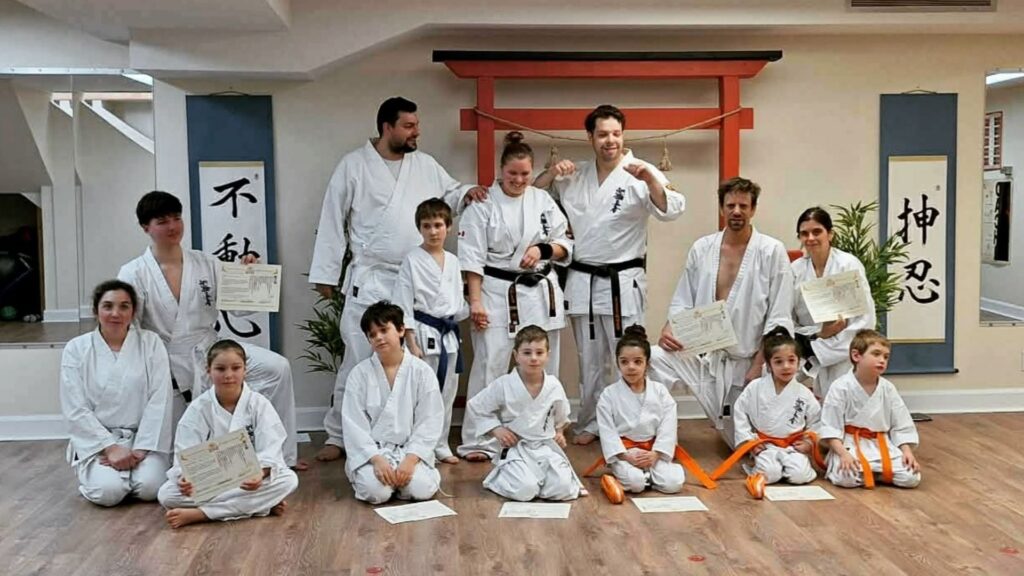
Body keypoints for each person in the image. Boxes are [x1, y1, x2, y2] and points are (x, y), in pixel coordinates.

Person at [309, 97, 484, 461]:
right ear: (386, 127)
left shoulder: (424, 164)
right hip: (371, 278)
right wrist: (326, 273)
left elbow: (449, 193)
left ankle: (409, 437)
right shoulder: (354, 166)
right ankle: (338, 435)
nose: (416, 131)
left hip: (415, 280)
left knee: (412, 363)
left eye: (416, 125)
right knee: (358, 357)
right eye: (408, 126)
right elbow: (332, 217)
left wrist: (466, 192)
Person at [534, 104, 686, 445]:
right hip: (583, 280)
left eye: (616, 134)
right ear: (590, 137)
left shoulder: (640, 171)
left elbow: (672, 208)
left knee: (627, 355)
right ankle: (590, 421)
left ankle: (632, 424)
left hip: (623, 282)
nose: (610, 140)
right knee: (589, 360)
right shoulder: (575, 175)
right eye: (602, 134)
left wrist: (651, 181)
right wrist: (551, 172)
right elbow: (535, 196)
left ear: (624, 135)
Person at [118, 191, 302, 469]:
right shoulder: (132, 273)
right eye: (162, 221)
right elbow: (130, 328)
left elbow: (240, 309)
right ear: (146, 227)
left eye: (177, 218)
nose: (172, 227)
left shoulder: (206, 263)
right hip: (163, 359)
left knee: (277, 368)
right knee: (181, 455)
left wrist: (248, 275)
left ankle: (280, 458)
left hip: (209, 347)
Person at [649, 176, 794, 447]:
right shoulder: (703, 248)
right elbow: (683, 299)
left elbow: (779, 316)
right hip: (704, 358)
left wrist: (759, 363)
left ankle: (741, 435)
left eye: (743, 205)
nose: (736, 211)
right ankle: (651, 437)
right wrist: (670, 328)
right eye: (730, 205)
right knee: (655, 357)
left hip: (746, 364)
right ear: (721, 208)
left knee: (744, 446)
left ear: (753, 209)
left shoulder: (771, 251)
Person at [456, 131, 572, 460]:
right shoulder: (482, 205)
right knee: (490, 365)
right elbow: (471, 258)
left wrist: (542, 248)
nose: (519, 180)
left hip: (540, 292)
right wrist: (475, 301)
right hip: (496, 293)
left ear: (532, 171)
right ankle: (480, 440)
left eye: (525, 174)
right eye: (512, 174)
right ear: (500, 171)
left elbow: (565, 244)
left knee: (542, 366)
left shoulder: (542, 200)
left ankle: (543, 434)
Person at [158, 340, 298, 528]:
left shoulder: (259, 404)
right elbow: (185, 453)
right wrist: (185, 478)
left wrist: (260, 472)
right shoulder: (198, 408)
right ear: (209, 371)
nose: (228, 375)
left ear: (245, 370)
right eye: (220, 369)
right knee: (167, 495)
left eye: (236, 368)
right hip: (211, 481)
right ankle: (261, 506)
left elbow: (271, 448)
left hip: (248, 480)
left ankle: (203, 514)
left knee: (288, 480)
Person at [60, 280, 173, 507]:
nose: (116, 313)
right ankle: (98, 476)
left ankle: (130, 474)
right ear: (96, 310)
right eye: (108, 306)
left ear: (133, 311)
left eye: (124, 306)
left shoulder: (150, 343)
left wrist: (140, 449)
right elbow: (75, 407)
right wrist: (110, 448)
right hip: (100, 443)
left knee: (151, 488)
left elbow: (160, 398)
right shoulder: (76, 348)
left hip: (143, 439)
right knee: (108, 493)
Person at [460, 325, 582, 502]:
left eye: (539, 353)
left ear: (548, 355)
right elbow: (476, 406)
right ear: (516, 355)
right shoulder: (504, 384)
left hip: (545, 447)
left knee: (562, 489)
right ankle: (501, 477)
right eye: (527, 353)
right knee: (525, 490)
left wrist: (559, 433)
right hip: (516, 447)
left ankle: (539, 481)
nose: (533, 358)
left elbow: (561, 418)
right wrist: (497, 430)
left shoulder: (553, 386)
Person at [342, 301, 445, 504]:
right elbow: (353, 424)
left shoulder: (421, 371)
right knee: (376, 493)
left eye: (383, 330)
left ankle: (403, 480)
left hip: (410, 450)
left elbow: (430, 420)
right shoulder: (359, 374)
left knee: (422, 489)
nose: (379, 337)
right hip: (374, 453)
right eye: (372, 334)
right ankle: (386, 481)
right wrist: (376, 459)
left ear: (400, 330)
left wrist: (411, 459)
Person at [395, 199, 467, 465]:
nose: (433, 231)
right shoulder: (412, 260)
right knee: (421, 394)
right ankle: (419, 447)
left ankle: (441, 443)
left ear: (448, 227)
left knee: (447, 392)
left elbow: (458, 303)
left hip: (448, 334)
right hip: (422, 333)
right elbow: (402, 301)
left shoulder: (453, 261)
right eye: (427, 226)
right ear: (419, 229)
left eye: (438, 225)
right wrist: (410, 341)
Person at [714, 328, 822, 499]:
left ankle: (787, 468)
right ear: (769, 364)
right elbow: (740, 413)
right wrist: (749, 442)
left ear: (799, 362)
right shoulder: (756, 388)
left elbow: (817, 421)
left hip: (792, 446)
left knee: (800, 475)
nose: (786, 366)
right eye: (778, 362)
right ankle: (759, 476)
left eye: (791, 360)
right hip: (765, 445)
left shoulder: (803, 393)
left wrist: (809, 442)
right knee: (770, 473)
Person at [592, 326, 687, 499]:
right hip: (625, 452)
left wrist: (656, 454)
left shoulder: (660, 391)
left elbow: (668, 426)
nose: (631, 367)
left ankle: (647, 476)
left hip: (652, 451)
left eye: (637, 361)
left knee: (674, 482)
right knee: (635, 483)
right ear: (618, 363)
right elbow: (607, 432)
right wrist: (624, 455)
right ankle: (625, 477)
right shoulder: (609, 395)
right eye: (624, 361)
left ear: (647, 364)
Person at [819, 330, 921, 489]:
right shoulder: (841, 387)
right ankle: (870, 473)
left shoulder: (887, 389)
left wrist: (907, 452)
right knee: (845, 478)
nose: (882, 360)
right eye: (876, 354)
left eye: (886, 357)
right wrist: (843, 454)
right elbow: (830, 427)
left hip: (881, 445)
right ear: (856, 356)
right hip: (849, 445)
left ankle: (874, 473)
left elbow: (901, 425)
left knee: (911, 477)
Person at [791, 207, 876, 398]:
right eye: (804, 234)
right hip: (811, 352)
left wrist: (826, 348)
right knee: (821, 414)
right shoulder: (795, 270)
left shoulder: (848, 265)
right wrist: (819, 335)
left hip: (847, 354)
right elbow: (789, 320)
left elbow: (865, 320)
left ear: (830, 234)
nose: (810, 238)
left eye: (817, 231)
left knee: (847, 408)